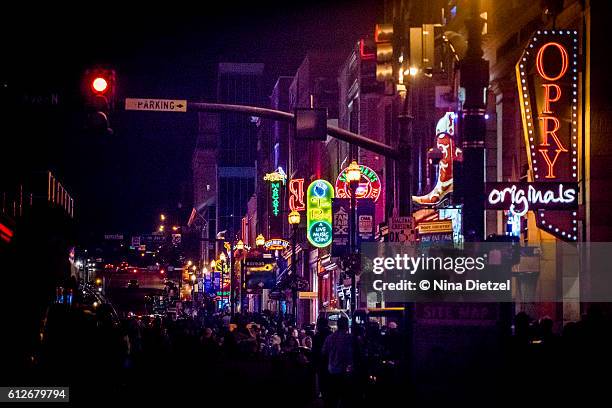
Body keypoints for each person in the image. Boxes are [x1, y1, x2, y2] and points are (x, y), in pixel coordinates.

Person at [322, 316, 353, 407]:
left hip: (332, 370)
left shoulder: (330, 338)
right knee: (345, 398)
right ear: (347, 326)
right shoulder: (350, 338)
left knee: (332, 398)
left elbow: (324, 352)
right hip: (345, 372)